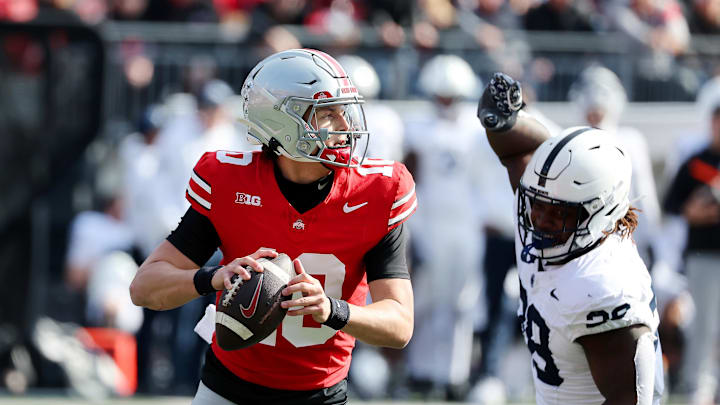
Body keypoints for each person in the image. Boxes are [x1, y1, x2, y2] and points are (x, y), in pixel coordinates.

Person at [129, 48, 417, 405]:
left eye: (343, 110)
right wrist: (211, 278)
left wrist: (332, 309)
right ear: (284, 121)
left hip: (320, 395)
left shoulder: (375, 192)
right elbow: (144, 287)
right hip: (227, 389)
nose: (345, 125)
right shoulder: (230, 181)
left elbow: (400, 324)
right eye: (327, 114)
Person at [477, 72, 664, 405]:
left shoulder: (605, 286)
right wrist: (503, 122)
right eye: (537, 203)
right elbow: (517, 153)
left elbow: (629, 399)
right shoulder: (556, 228)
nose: (541, 219)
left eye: (559, 212)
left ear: (599, 211)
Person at [402, 54, 485, 400]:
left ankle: (455, 373)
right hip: (429, 224)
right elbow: (409, 180)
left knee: (462, 302)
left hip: (467, 226)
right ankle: (421, 371)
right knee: (424, 300)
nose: (447, 102)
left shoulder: (477, 129)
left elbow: (484, 183)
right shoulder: (416, 127)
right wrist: (412, 229)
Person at [664, 102, 720, 405]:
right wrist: (694, 211)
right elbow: (672, 203)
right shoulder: (697, 162)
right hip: (704, 255)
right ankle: (698, 384)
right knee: (703, 323)